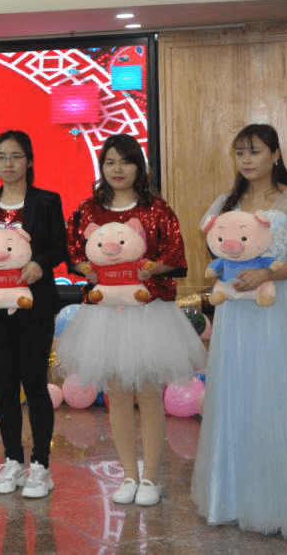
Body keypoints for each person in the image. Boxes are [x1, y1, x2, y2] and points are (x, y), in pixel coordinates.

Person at [191, 124, 287, 543]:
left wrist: (267, 274)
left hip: (277, 307)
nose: (246, 160)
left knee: (279, 392)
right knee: (238, 393)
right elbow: (220, 254)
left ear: (275, 154)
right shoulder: (226, 203)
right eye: (240, 152)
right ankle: (233, 499)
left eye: (255, 151)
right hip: (235, 313)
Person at [59, 133, 205, 506]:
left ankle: (151, 477)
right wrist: (84, 267)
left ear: (139, 166)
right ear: (102, 167)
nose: (117, 169)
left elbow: (174, 253)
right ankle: (128, 474)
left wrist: (154, 268)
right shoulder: (89, 210)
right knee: (117, 393)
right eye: (110, 162)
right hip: (105, 314)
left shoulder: (156, 209)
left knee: (149, 393)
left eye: (125, 161)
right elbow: (74, 250)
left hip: (148, 312)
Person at [0, 130, 67, 499]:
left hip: (33, 306)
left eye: (15, 156)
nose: (8, 164)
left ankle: (40, 465)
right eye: (1, 157)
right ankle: (12, 460)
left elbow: (59, 246)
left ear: (29, 161)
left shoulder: (46, 201)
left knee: (35, 384)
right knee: (5, 385)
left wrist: (40, 263)